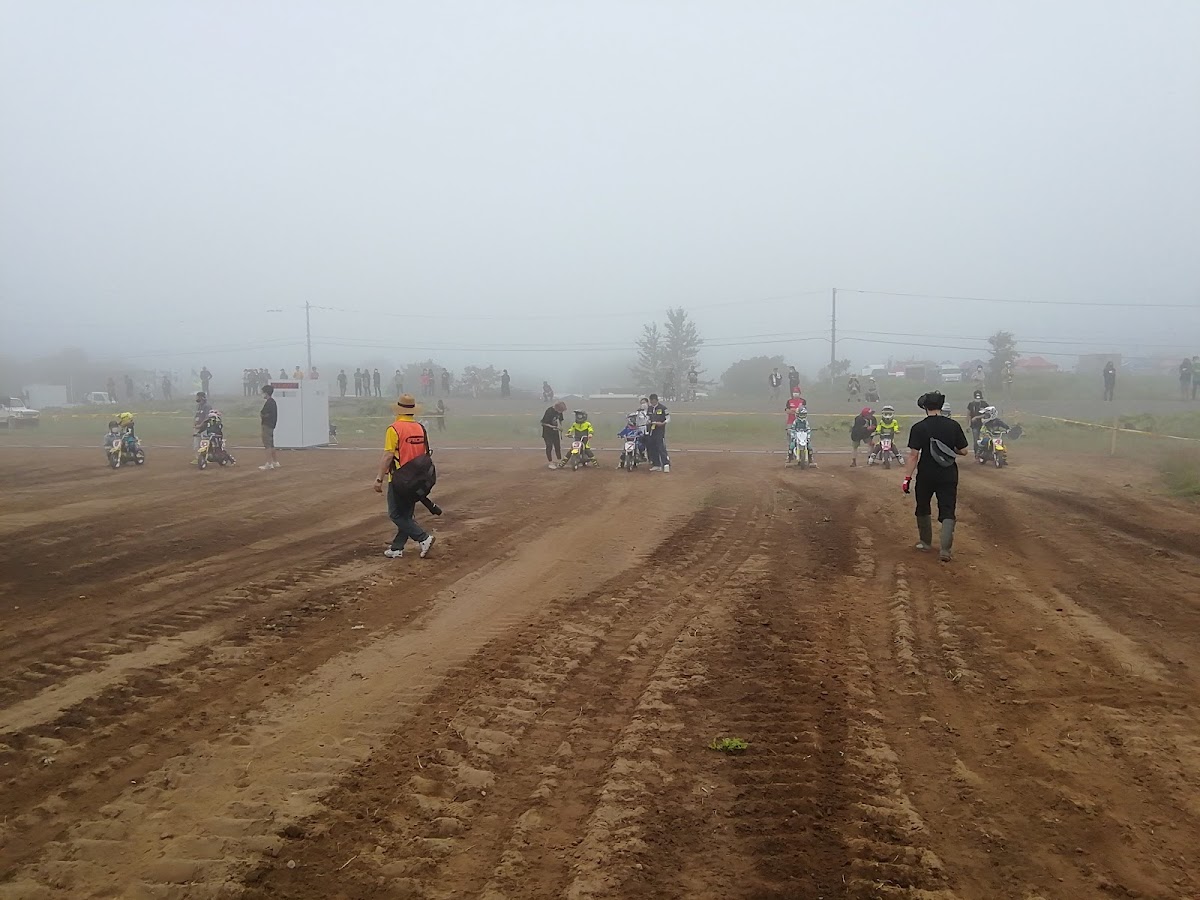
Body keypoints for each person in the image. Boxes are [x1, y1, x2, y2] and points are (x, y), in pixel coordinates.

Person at [903, 391, 969, 562]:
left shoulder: (918, 427)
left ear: (925, 407)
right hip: (948, 473)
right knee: (948, 509)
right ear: (941, 406)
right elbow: (964, 451)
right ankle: (945, 550)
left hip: (926, 474)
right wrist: (948, 449)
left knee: (923, 505)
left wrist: (907, 478)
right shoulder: (953, 425)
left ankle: (925, 543)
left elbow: (913, 455)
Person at [374, 394, 437, 559]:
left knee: (395, 514)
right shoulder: (420, 428)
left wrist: (379, 478)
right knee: (406, 515)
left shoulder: (394, 429)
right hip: (417, 479)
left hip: (399, 479)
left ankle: (423, 538)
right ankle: (397, 548)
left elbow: (388, 456)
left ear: (398, 410)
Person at [647, 393, 671, 473]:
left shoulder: (663, 408)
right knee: (652, 447)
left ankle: (666, 464)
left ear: (657, 400)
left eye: (654, 401)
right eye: (651, 401)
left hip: (659, 430)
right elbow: (648, 417)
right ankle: (656, 464)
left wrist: (662, 423)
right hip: (651, 430)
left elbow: (668, 418)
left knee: (660, 446)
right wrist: (648, 422)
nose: (653, 402)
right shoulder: (649, 408)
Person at [259, 384, 279, 470]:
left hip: (267, 425)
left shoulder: (269, 403)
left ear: (266, 393)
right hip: (271, 425)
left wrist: (262, 415)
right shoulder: (273, 402)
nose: (262, 394)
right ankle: (275, 462)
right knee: (271, 444)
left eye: (263, 392)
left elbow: (263, 413)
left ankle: (269, 463)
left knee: (267, 444)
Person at [541, 400, 566, 468]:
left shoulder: (559, 412)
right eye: (560, 411)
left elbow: (560, 420)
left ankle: (559, 460)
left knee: (557, 446)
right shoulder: (549, 411)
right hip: (547, 432)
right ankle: (550, 462)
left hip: (555, 432)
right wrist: (552, 427)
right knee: (549, 446)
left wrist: (560, 427)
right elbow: (543, 423)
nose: (561, 412)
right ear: (557, 408)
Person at [191, 391, 212, 464]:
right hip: (197, 428)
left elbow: (207, 417)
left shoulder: (207, 406)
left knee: (204, 443)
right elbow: (196, 416)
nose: (196, 398)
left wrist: (201, 425)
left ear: (201, 397)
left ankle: (206, 458)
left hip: (204, 428)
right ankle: (198, 459)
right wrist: (195, 424)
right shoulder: (198, 406)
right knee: (196, 444)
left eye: (197, 397)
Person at [966, 389, 988, 453]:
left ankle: (986, 452)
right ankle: (977, 453)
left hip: (984, 425)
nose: (978, 399)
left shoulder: (984, 404)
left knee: (985, 439)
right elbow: (968, 415)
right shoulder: (971, 404)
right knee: (976, 440)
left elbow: (987, 414)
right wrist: (968, 425)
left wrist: (977, 417)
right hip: (975, 425)